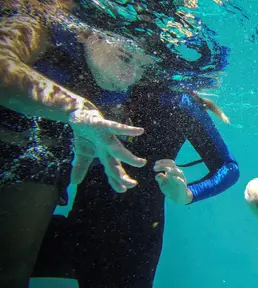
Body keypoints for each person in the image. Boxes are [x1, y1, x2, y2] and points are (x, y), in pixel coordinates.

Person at [0, 0, 239, 287]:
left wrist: (187, 193)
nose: (131, 75)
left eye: (142, 65)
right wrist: (78, 112)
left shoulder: (170, 99)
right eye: (127, 58)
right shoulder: (52, 31)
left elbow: (228, 166)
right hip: (81, 220)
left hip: (131, 235)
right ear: (88, 32)